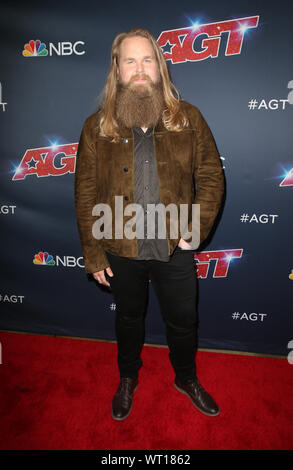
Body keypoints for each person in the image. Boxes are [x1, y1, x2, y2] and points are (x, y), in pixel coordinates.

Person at [74, 28, 224, 421]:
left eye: (147, 60)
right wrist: (93, 253)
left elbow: (210, 176)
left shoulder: (189, 118)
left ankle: (186, 378)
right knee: (127, 318)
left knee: (184, 320)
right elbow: (86, 193)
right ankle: (127, 378)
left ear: (159, 67)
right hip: (119, 247)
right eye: (130, 61)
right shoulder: (96, 127)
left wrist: (196, 228)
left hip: (173, 245)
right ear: (117, 70)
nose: (139, 69)